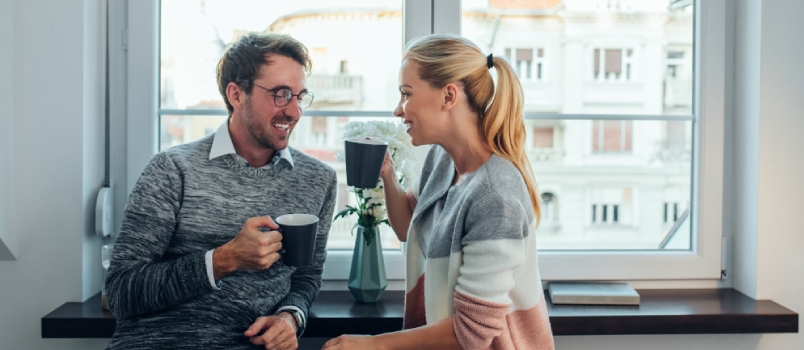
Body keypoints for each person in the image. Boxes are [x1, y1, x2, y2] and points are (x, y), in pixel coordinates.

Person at [104, 32, 337, 350]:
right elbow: (121, 292)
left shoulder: (318, 179)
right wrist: (223, 259)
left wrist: (290, 317)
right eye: (280, 94)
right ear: (236, 94)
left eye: (299, 96)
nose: (294, 112)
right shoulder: (172, 169)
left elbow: (306, 278)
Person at [323, 34, 554, 350]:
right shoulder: (442, 161)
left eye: (406, 94)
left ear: (448, 96)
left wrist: (373, 345)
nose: (398, 110)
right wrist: (388, 175)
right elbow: (408, 228)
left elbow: (471, 334)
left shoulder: (494, 196)